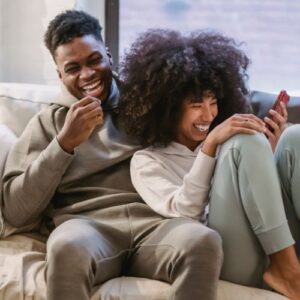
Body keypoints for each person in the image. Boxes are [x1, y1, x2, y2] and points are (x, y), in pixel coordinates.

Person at [1, 10, 223, 300]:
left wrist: (262, 117)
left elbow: (206, 98)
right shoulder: (49, 122)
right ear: (59, 74)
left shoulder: (146, 97)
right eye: (73, 68)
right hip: (86, 228)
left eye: (94, 60)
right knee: (66, 247)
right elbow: (16, 209)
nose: (87, 75)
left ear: (108, 55)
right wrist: (64, 143)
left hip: (157, 224)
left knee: (204, 241)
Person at [119, 29, 300, 300]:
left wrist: (269, 154)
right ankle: (287, 272)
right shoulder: (147, 161)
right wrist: (210, 146)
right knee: (244, 142)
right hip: (230, 256)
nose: (208, 114)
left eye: (213, 102)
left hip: (273, 240)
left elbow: (258, 202)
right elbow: (186, 214)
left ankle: (287, 264)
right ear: (167, 107)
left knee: (294, 137)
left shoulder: (231, 147)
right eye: (195, 105)